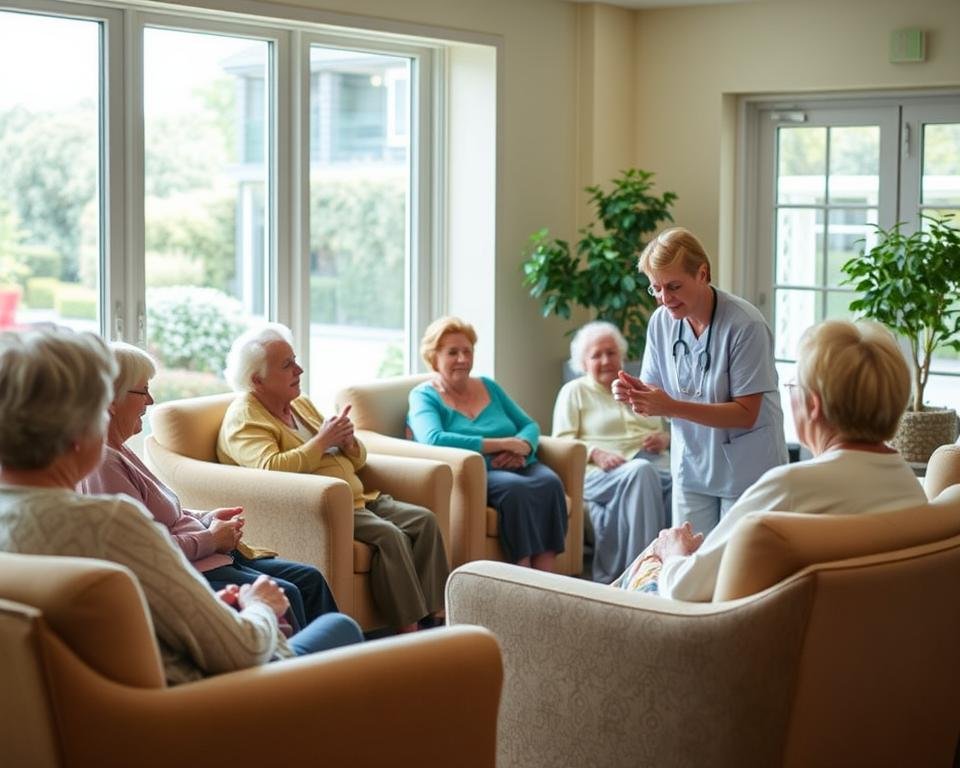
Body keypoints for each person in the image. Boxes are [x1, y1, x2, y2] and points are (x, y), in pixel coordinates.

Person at [0, 327, 363, 685]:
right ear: (80, 431)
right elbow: (242, 650)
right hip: (204, 710)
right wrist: (260, 606)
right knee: (340, 627)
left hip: (104, 716)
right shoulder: (108, 524)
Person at [615, 319, 926, 600]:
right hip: (863, 647)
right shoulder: (909, 485)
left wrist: (673, 553)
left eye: (792, 386)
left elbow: (684, 588)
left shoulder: (791, 488)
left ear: (813, 405)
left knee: (653, 558)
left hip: (724, 647)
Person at [81, 342, 339, 634]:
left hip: (207, 558)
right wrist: (211, 539)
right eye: (143, 391)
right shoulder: (104, 463)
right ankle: (303, 674)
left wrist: (205, 517)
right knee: (287, 592)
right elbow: (141, 550)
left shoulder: (120, 450)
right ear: (111, 399)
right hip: (189, 569)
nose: (150, 401)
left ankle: (341, 670)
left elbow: (159, 517)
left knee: (310, 579)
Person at [217, 323, 449, 633]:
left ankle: (436, 616)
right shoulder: (244, 418)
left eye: (295, 360)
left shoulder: (298, 402)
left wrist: (349, 442)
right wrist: (323, 441)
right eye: (287, 365)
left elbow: (357, 458)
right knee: (389, 536)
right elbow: (269, 469)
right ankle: (407, 629)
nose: (299, 369)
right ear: (257, 379)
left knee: (424, 521)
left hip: (358, 496)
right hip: (324, 507)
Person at [612, 227, 788, 536]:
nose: (665, 299)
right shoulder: (661, 322)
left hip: (747, 469)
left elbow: (746, 413)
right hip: (692, 465)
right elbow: (658, 393)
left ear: (702, 273)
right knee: (689, 560)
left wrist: (671, 406)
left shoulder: (745, 325)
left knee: (737, 567)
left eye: (674, 286)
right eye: (656, 289)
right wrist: (634, 394)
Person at [408, 316, 567, 572]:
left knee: (550, 482)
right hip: (477, 472)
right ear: (433, 356)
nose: (462, 359)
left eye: (467, 351)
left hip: (520, 462)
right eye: (453, 352)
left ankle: (547, 578)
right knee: (515, 490)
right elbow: (433, 438)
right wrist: (502, 443)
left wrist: (524, 447)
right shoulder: (424, 396)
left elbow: (529, 424)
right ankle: (522, 572)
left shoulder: (488, 386)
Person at [552, 321, 672, 583]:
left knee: (682, 479)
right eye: (596, 355)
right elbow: (561, 443)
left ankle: (678, 569)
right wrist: (595, 452)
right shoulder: (574, 392)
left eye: (611, 352)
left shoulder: (639, 388)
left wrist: (665, 439)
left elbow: (661, 427)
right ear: (583, 363)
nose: (606, 360)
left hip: (651, 462)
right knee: (642, 473)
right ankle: (639, 571)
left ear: (622, 355)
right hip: (599, 471)